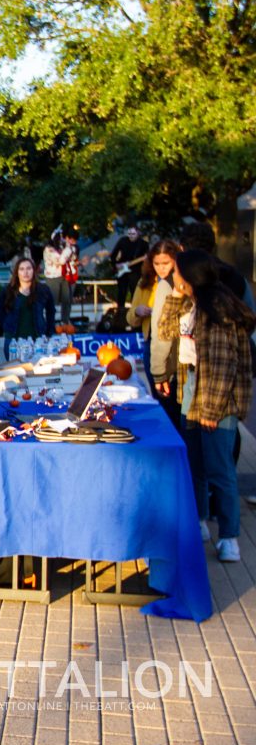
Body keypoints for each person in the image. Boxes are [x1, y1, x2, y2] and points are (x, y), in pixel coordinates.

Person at [155, 250, 254, 562]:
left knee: (219, 468)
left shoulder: (218, 311)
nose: (172, 275)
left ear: (191, 276)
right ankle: (199, 521)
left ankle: (229, 537)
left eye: (177, 272)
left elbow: (223, 367)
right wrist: (174, 295)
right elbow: (165, 330)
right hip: (190, 391)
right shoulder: (189, 303)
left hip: (216, 398)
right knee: (195, 463)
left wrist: (211, 411)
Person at [129, 239, 182, 426]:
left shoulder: (181, 282)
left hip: (176, 347)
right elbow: (130, 317)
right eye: (156, 263)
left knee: (175, 402)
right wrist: (137, 311)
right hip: (151, 343)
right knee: (161, 398)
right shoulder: (145, 283)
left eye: (165, 263)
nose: (161, 268)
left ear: (175, 259)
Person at [0, 257, 56, 357]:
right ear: (17, 272)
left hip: (37, 340)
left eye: (28, 268)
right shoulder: (8, 290)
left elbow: (51, 311)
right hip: (13, 340)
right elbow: (0, 310)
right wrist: (6, 326)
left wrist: (49, 333)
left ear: (33, 270)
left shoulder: (43, 290)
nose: (25, 272)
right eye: (22, 269)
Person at [42, 228, 77, 325]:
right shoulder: (49, 249)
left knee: (67, 300)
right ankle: (50, 323)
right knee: (53, 301)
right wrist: (68, 249)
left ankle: (65, 321)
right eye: (60, 238)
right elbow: (61, 261)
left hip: (65, 276)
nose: (63, 241)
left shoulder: (64, 248)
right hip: (53, 277)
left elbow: (71, 259)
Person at [110, 225, 149, 306]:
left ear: (138, 233)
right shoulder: (123, 241)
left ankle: (133, 312)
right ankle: (120, 312)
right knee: (121, 293)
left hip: (136, 271)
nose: (131, 236)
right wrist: (115, 265)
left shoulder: (143, 244)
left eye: (133, 234)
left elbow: (147, 258)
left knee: (134, 292)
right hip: (122, 271)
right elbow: (113, 255)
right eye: (129, 233)